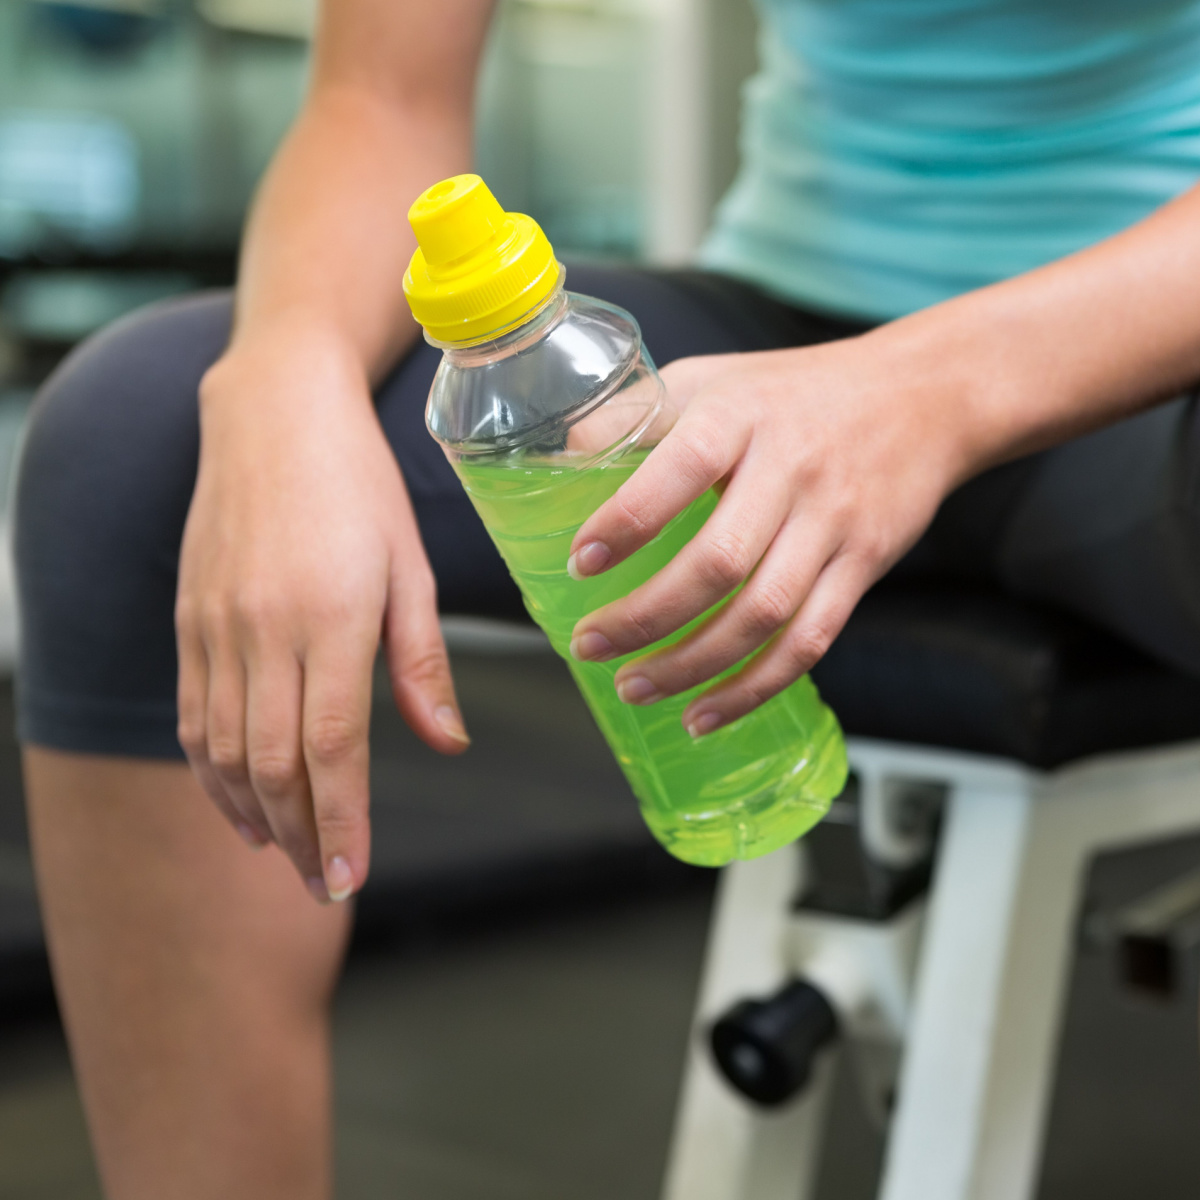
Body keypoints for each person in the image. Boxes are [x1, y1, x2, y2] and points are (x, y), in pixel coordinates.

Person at [16, 0, 1200, 1195]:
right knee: (140, 446)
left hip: (1145, 355)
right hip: (776, 330)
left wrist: (923, 392)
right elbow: (383, 101)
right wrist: (281, 377)